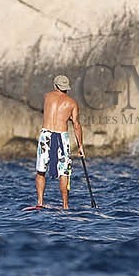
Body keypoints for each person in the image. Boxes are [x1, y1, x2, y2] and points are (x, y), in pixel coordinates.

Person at [35, 74, 84, 210]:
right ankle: (65, 205)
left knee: (41, 171)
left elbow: (50, 109)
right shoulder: (72, 103)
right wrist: (80, 146)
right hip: (62, 137)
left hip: (46, 136)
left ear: (55, 86)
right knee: (64, 172)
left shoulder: (47, 96)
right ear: (66, 87)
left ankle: (40, 202)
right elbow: (76, 125)